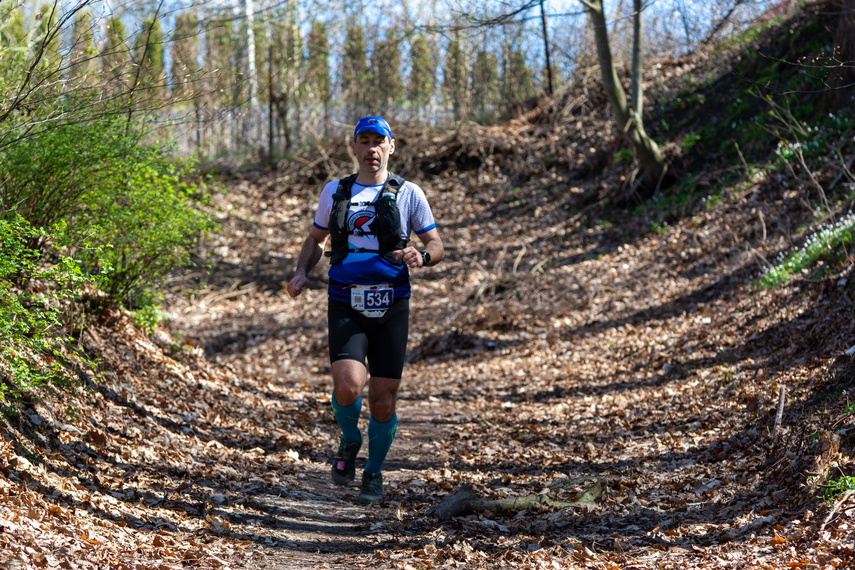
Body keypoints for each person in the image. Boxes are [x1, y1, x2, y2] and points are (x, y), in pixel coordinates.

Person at [287, 116, 444, 504]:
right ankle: (349, 439)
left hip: (392, 301)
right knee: (347, 386)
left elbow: (437, 243)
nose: (371, 148)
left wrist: (421, 256)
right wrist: (300, 272)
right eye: (364, 141)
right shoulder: (335, 191)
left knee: (383, 398)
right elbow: (316, 239)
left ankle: (373, 473)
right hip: (345, 298)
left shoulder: (409, 193)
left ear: (391, 147)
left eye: (379, 141)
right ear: (354, 147)